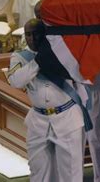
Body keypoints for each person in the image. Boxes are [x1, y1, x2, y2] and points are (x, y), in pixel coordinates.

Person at [7, 19, 87, 182]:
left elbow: (80, 74)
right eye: (28, 34)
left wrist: (48, 55)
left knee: (70, 174)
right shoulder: (20, 57)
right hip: (38, 121)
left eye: (36, 34)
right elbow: (16, 81)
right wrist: (38, 61)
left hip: (67, 118)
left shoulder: (63, 53)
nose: (32, 38)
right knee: (38, 172)